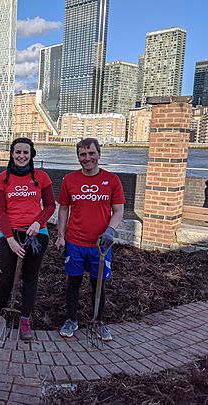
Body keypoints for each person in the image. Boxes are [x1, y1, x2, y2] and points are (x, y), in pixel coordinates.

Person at [54, 138, 125, 341]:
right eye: (83, 155)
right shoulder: (70, 180)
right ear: (78, 157)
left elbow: (118, 210)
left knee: (98, 285)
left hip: (100, 245)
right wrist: (61, 236)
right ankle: (71, 320)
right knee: (73, 283)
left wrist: (110, 230)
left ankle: (99, 321)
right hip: (75, 242)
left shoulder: (112, 181)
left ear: (99, 154)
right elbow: (64, 209)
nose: (87, 158)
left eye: (91, 153)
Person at [0, 138, 55, 340]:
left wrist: (38, 223)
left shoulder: (42, 177)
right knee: (5, 277)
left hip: (36, 235)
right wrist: (9, 238)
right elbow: (0, 212)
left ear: (31, 154)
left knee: (30, 278)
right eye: (17, 152)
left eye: (25, 152)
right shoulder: (1, 178)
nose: (21, 156)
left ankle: (25, 320)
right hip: (10, 234)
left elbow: (50, 206)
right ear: (11, 154)